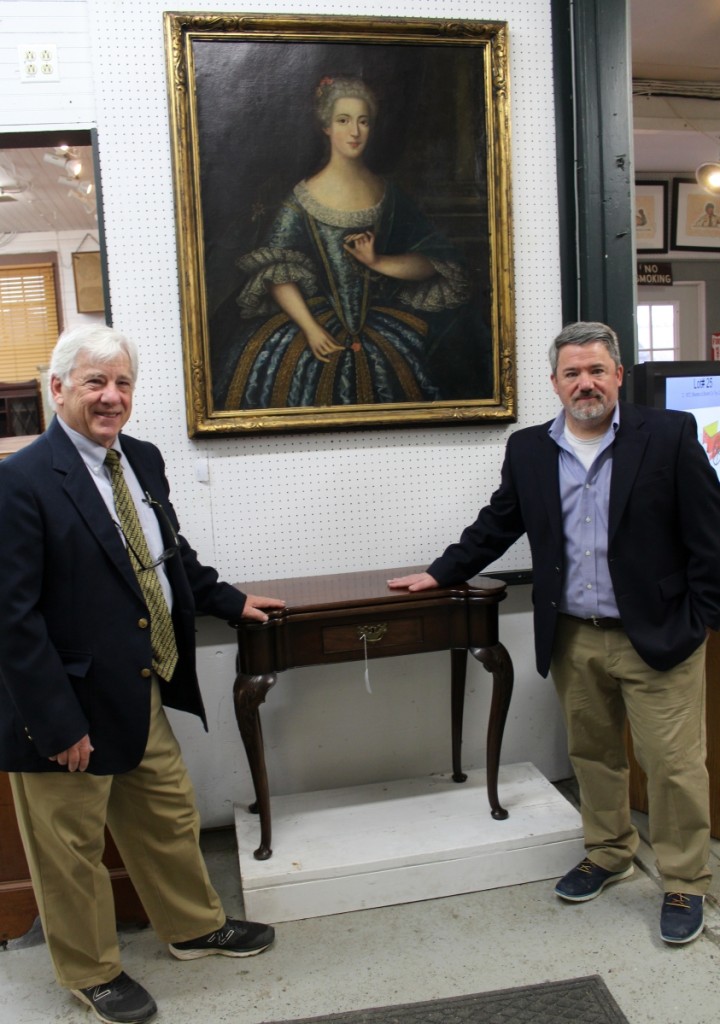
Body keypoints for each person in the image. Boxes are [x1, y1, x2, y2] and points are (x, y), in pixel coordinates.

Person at [388, 321, 720, 946]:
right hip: (573, 634)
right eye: (572, 373)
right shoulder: (530, 449)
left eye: (597, 370)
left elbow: (711, 537)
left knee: (673, 766)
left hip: (660, 635)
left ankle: (683, 880)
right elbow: (498, 523)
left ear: (619, 375)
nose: (585, 383)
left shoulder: (670, 436)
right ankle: (609, 852)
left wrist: (702, 619)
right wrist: (440, 573)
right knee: (593, 754)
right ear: (555, 383)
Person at [0, 325, 286, 1024]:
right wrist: (58, 723)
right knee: (70, 852)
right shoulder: (19, 482)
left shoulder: (144, 461)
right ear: (58, 388)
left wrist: (228, 600)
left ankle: (193, 928)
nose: (111, 396)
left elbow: (167, 555)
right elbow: (12, 619)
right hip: (62, 706)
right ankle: (92, 972)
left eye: (122, 382)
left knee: (167, 815)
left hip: (138, 684)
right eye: (95, 382)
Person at [210, 74, 476, 410]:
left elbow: (433, 260)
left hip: (387, 327)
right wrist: (311, 328)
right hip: (314, 329)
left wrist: (377, 262)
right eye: (344, 120)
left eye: (363, 122)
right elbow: (277, 271)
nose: (354, 132)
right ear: (326, 126)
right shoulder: (301, 199)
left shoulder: (390, 195)